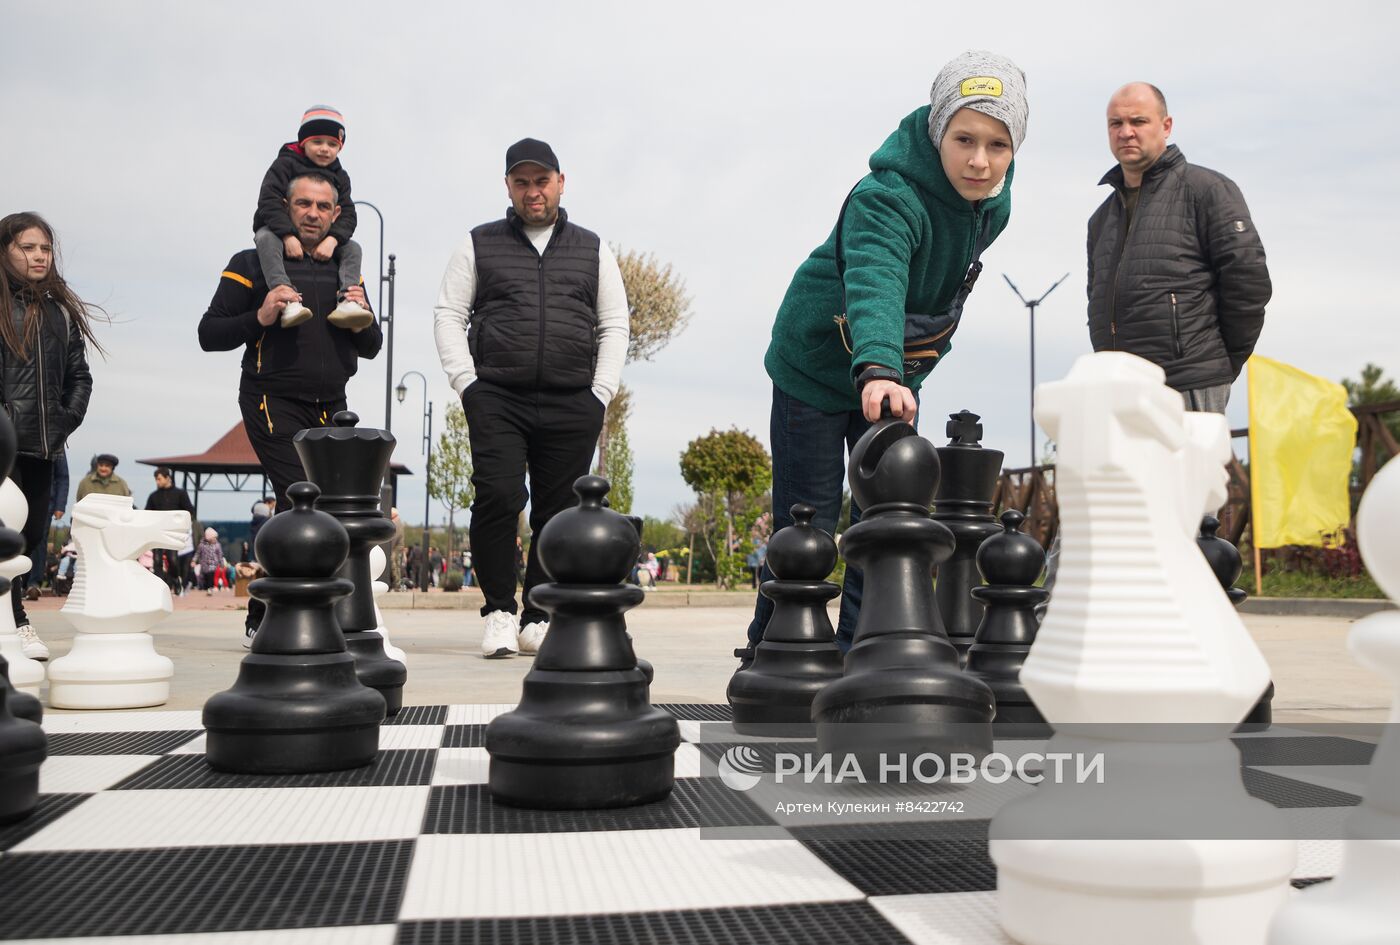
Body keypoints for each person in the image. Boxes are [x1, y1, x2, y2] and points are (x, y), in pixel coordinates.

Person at [741, 51, 1029, 661]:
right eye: (964, 139)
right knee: (809, 526)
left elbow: (938, 290)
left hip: (892, 373)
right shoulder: (886, 197)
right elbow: (877, 279)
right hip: (819, 366)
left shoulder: (993, 204)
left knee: (886, 523)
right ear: (936, 131)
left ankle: (856, 652)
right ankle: (773, 652)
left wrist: (900, 374)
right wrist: (878, 367)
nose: (979, 161)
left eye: (997, 145)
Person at [433, 138, 629, 659]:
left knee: (558, 510)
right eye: (522, 182)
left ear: (561, 183)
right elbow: (449, 315)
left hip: (573, 401)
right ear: (508, 188)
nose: (533, 191)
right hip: (497, 395)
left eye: (542, 181)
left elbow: (614, 324)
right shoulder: (478, 244)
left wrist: (599, 394)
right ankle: (499, 612)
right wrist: (466, 384)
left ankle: (538, 614)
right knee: (497, 497)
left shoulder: (592, 248)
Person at [199, 170, 382, 642]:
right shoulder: (252, 261)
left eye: (323, 207)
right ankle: (268, 617)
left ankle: (290, 610)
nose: (313, 214)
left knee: (314, 504)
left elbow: (372, 345)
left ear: (337, 214)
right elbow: (209, 334)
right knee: (302, 494)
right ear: (286, 205)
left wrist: (361, 308)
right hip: (270, 397)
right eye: (303, 204)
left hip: (332, 403)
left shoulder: (345, 267)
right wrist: (260, 316)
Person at [1087, 83, 1270, 412]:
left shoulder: (1207, 190)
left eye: (1138, 121)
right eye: (1116, 123)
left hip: (1189, 384)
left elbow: (1248, 284)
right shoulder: (1101, 219)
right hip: (1120, 389)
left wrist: (1217, 365)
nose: (1126, 132)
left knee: (1191, 466)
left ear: (1166, 126)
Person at [1, 211, 100, 659]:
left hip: (46, 446)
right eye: (28, 247)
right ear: (6, 250)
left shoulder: (59, 310)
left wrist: (65, 418)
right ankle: (15, 621)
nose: (39, 256)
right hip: (3, 448)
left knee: (32, 535)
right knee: (5, 533)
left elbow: (80, 375)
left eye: (45, 248)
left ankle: (14, 614)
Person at [252, 106, 372, 330]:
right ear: (303, 142)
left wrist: (333, 240)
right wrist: (287, 235)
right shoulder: (284, 165)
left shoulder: (341, 176)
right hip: (278, 231)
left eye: (333, 144)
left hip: (324, 238)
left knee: (353, 248)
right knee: (265, 237)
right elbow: (268, 201)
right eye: (317, 142)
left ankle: (348, 300)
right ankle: (286, 298)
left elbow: (348, 215)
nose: (325, 149)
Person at [145, 466, 195, 592]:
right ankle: (159, 586)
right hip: (157, 532)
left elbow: (190, 511)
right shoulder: (153, 496)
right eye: (156, 479)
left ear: (168, 478)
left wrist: (183, 525)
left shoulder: (180, 493)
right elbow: (147, 512)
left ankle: (176, 580)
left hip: (173, 532)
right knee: (157, 560)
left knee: (172, 559)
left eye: (159, 479)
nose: (157, 482)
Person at [195, 527, 224, 595]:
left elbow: (220, 555)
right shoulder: (202, 545)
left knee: (212, 577)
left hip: (214, 565)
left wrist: (221, 564)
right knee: (204, 578)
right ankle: (205, 587)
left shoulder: (217, 545)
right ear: (209, 538)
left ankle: (211, 588)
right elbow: (198, 553)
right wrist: (194, 560)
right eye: (214, 538)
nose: (215, 539)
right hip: (204, 565)